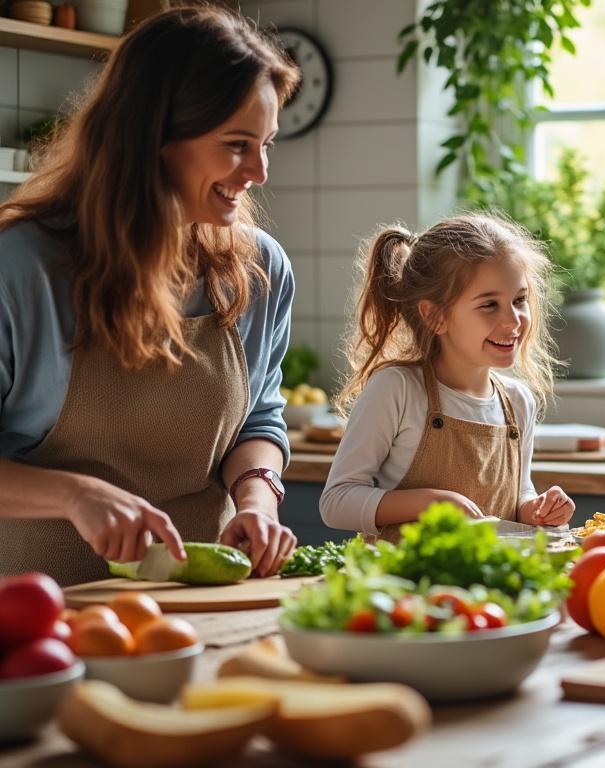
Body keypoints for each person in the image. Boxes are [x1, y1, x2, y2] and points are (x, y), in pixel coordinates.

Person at [0, 7, 301, 585]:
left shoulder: (259, 269)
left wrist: (257, 497)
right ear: (152, 138)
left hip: (205, 602)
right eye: (237, 144)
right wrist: (75, 495)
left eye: (266, 143)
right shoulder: (22, 267)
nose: (259, 171)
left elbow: (258, 420)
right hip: (45, 606)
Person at [320, 213, 575, 538]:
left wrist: (535, 509)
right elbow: (337, 502)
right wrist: (431, 503)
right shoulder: (397, 390)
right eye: (489, 305)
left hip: (488, 572)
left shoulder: (518, 402)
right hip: (400, 571)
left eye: (519, 300)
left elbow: (519, 493)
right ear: (435, 316)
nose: (513, 320)